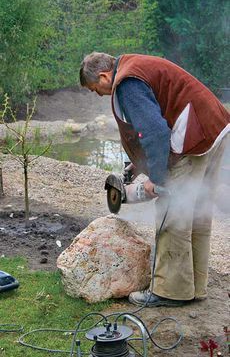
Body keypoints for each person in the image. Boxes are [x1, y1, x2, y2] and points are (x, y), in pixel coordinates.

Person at [79, 52, 230, 307]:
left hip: (192, 136)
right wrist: (136, 165)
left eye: (95, 89)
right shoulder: (134, 65)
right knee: (196, 212)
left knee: (172, 214)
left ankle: (170, 292)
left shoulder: (126, 84)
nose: (98, 94)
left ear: (104, 76)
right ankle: (195, 287)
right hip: (214, 128)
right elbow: (153, 122)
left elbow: (156, 133)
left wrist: (158, 180)